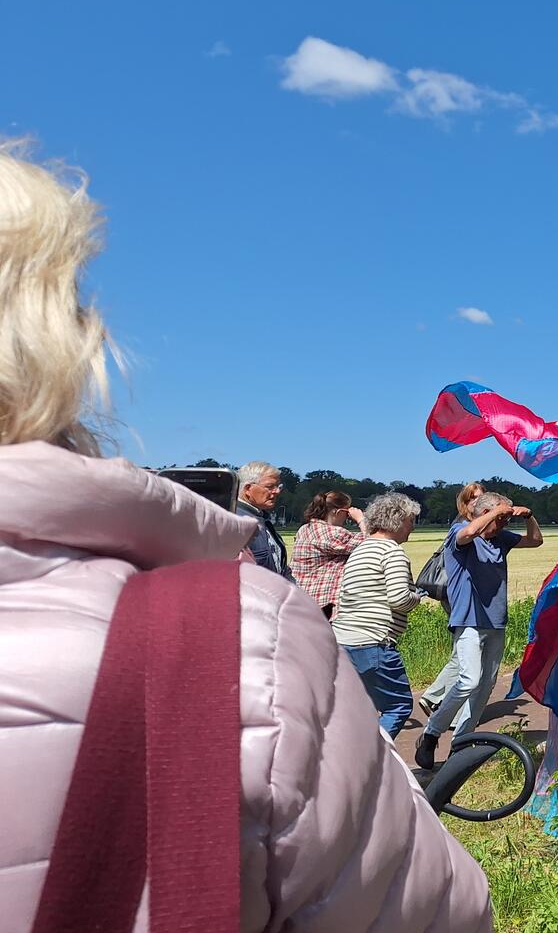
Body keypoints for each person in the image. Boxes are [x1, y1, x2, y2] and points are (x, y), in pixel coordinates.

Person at [0, 140, 491, 930]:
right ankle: (414, 755)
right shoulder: (226, 633)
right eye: (263, 487)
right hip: (318, 657)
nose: (264, 494)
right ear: (66, 343)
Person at [414, 490, 542, 771]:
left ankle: (460, 743)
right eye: (501, 518)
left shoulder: (501, 539)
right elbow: (468, 533)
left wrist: (529, 516)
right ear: (485, 514)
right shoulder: (460, 532)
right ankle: (431, 733)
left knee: (485, 687)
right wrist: (497, 511)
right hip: (468, 619)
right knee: (469, 680)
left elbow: (535, 541)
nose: (505, 523)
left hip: (496, 621)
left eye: (507, 518)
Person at [331, 492, 423, 736]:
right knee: (398, 705)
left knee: (357, 707)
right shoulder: (392, 552)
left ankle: (348, 758)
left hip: (342, 641)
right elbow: (399, 599)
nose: (412, 528)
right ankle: (373, 762)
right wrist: (418, 596)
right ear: (398, 519)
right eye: (411, 521)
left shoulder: (361, 550)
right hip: (373, 643)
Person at [418, 481, 483, 719]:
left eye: (482, 497)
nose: (478, 501)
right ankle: (437, 699)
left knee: (464, 650)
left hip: (464, 596)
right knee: (465, 652)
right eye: (473, 498)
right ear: (464, 504)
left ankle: (440, 700)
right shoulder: (463, 526)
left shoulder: (472, 524)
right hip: (458, 597)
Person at [292, 489, 368, 618]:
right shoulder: (334, 534)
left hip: (301, 598)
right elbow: (370, 542)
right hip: (323, 601)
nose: (347, 517)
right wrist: (361, 519)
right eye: (347, 512)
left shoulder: (304, 529)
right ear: (337, 512)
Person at [237, 460, 292, 581]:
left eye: (278, 486)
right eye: (270, 487)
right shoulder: (235, 521)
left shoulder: (262, 518)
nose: (277, 491)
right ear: (248, 489)